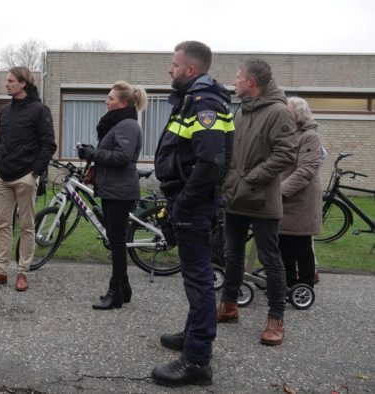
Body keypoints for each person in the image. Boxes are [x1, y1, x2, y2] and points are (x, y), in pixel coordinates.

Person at [150, 41, 234, 387]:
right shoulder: (192, 99)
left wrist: (184, 202)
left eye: (174, 64)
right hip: (189, 202)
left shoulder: (205, 103)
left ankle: (198, 360)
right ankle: (192, 334)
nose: (170, 69)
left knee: (199, 283)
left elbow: (211, 161)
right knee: (194, 279)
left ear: (191, 70)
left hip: (194, 206)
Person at [218, 58, 296, 346]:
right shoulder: (241, 110)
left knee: (270, 260)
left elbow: (286, 154)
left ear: (251, 82)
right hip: (235, 197)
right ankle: (228, 306)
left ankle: (276, 319)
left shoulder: (279, 112)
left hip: (262, 199)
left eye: (238, 77)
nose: (234, 81)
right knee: (232, 254)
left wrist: (250, 180)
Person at [0, 66, 56, 292]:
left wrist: (35, 173)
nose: (6, 84)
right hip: (2, 176)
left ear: (23, 83)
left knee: (27, 226)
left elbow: (49, 144)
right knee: (2, 225)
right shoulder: (6, 111)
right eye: (7, 81)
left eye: (11, 81)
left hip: (26, 177)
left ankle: (22, 272)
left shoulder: (41, 110)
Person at [77, 81, 146, 310]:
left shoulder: (127, 125)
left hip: (120, 191)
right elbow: (113, 152)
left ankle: (115, 292)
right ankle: (124, 288)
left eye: (111, 98)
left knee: (116, 242)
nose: (106, 101)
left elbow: (123, 157)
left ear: (123, 103)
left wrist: (94, 154)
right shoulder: (119, 123)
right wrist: (92, 152)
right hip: (112, 189)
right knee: (116, 240)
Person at [280, 97, 323, 289]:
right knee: (283, 243)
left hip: (300, 201)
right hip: (285, 200)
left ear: (297, 114)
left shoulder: (309, 137)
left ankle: (305, 284)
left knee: (301, 245)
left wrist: (280, 192)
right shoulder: (289, 134)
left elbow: (305, 171)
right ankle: (288, 282)